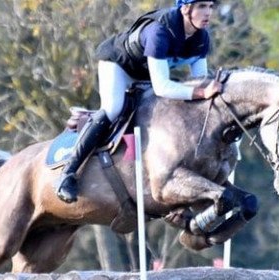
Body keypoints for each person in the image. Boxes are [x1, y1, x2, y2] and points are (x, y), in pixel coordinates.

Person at [56, 0, 223, 204]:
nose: (208, 13)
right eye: (202, 7)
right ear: (185, 8)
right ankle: (68, 173)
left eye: (211, 7)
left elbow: (201, 81)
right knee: (113, 108)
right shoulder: (160, 31)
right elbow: (164, 87)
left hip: (148, 74)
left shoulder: (201, 38)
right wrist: (201, 92)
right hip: (119, 66)